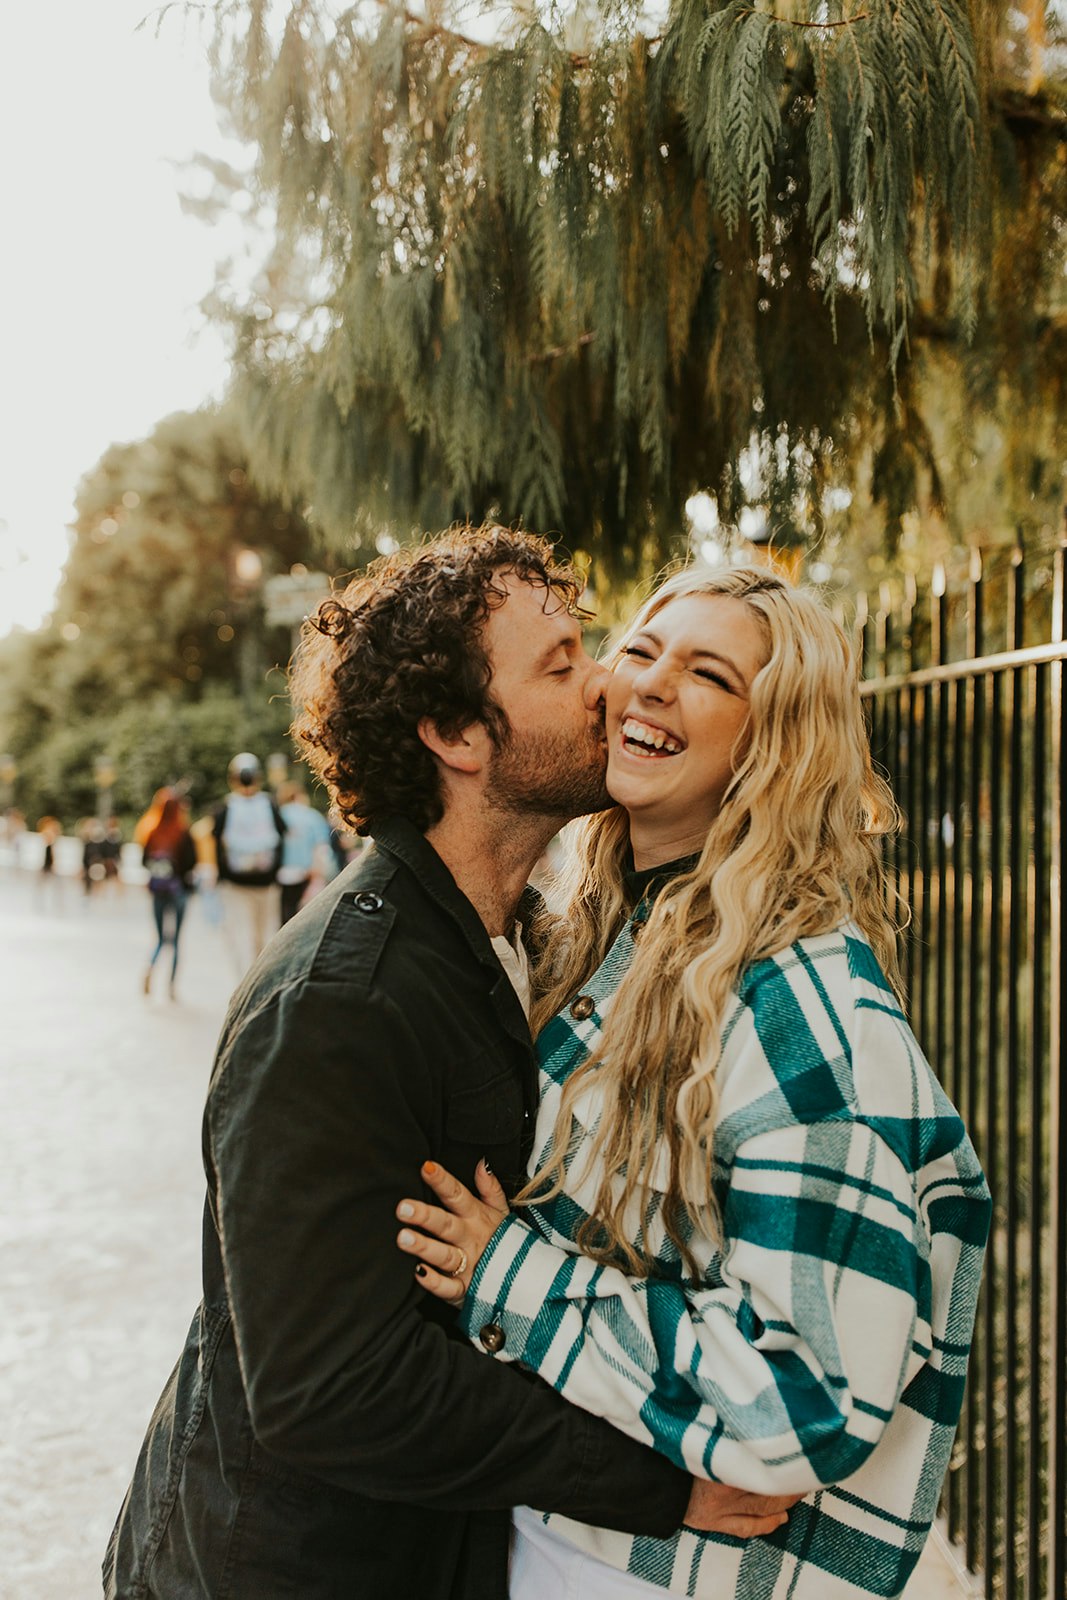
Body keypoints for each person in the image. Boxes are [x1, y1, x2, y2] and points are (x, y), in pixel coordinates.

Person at [103, 529, 791, 1600]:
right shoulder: (340, 1002)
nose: (608, 681)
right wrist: (660, 1481)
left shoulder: (515, 942)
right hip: (279, 1571)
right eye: (561, 665)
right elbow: (332, 1386)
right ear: (456, 734)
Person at [395, 564, 992, 1600]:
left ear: (771, 741)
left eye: (708, 672)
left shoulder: (800, 1005)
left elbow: (806, 1393)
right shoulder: (603, 935)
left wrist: (510, 1278)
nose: (651, 682)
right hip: (573, 1540)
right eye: (641, 649)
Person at [208, 752, 285, 973]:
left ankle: (245, 979)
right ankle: (262, 976)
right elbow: (281, 835)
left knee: (242, 934)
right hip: (267, 880)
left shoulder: (226, 806)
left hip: (235, 882)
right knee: (265, 935)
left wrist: (220, 876)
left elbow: (216, 842)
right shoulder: (268, 803)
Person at [139, 792, 197, 1000]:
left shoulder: (153, 832)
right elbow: (192, 862)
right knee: (177, 939)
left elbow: (144, 860)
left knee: (160, 938)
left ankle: (151, 966)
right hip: (179, 890)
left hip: (158, 891)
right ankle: (171, 986)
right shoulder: (183, 832)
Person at [274, 779, 337, 923]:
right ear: (300, 795)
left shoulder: (279, 815)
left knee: (285, 913)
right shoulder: (312, 816)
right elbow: (321, 847)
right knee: (305, 916)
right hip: (307, 871)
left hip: (282, 872)